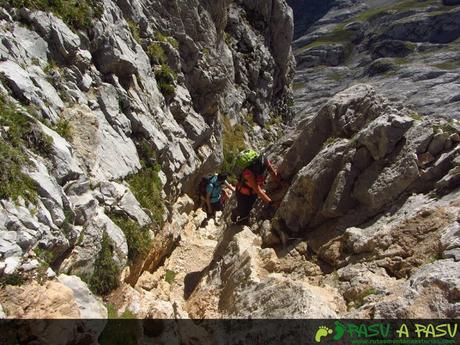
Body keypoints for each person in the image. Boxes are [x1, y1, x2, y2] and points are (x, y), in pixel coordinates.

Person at [231, 154, 279, 225]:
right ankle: (234, 212)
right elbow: (258, 190)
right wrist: (271, 203)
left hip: (252, 192)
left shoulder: (265, 161)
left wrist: (280, 181)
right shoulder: (248, 173)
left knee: (248, 211)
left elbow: (272, 172)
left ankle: (242, 221)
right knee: (242, 210)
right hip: (242, 194)